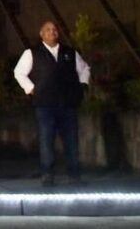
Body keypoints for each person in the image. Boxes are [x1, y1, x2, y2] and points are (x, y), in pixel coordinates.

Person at [14, 20, 91, 186]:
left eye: (55, 29)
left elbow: (84, 69)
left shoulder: (69, 52)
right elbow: (19, 72)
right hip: (45, 105)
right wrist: (31, 88)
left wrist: (83, 86)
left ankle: (74, 174)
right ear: (41, 34)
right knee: (46, 140)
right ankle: (47, 174)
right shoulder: (32, 52)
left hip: (68, 103)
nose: (52, 31)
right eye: (48, 29)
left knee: (71, 140)